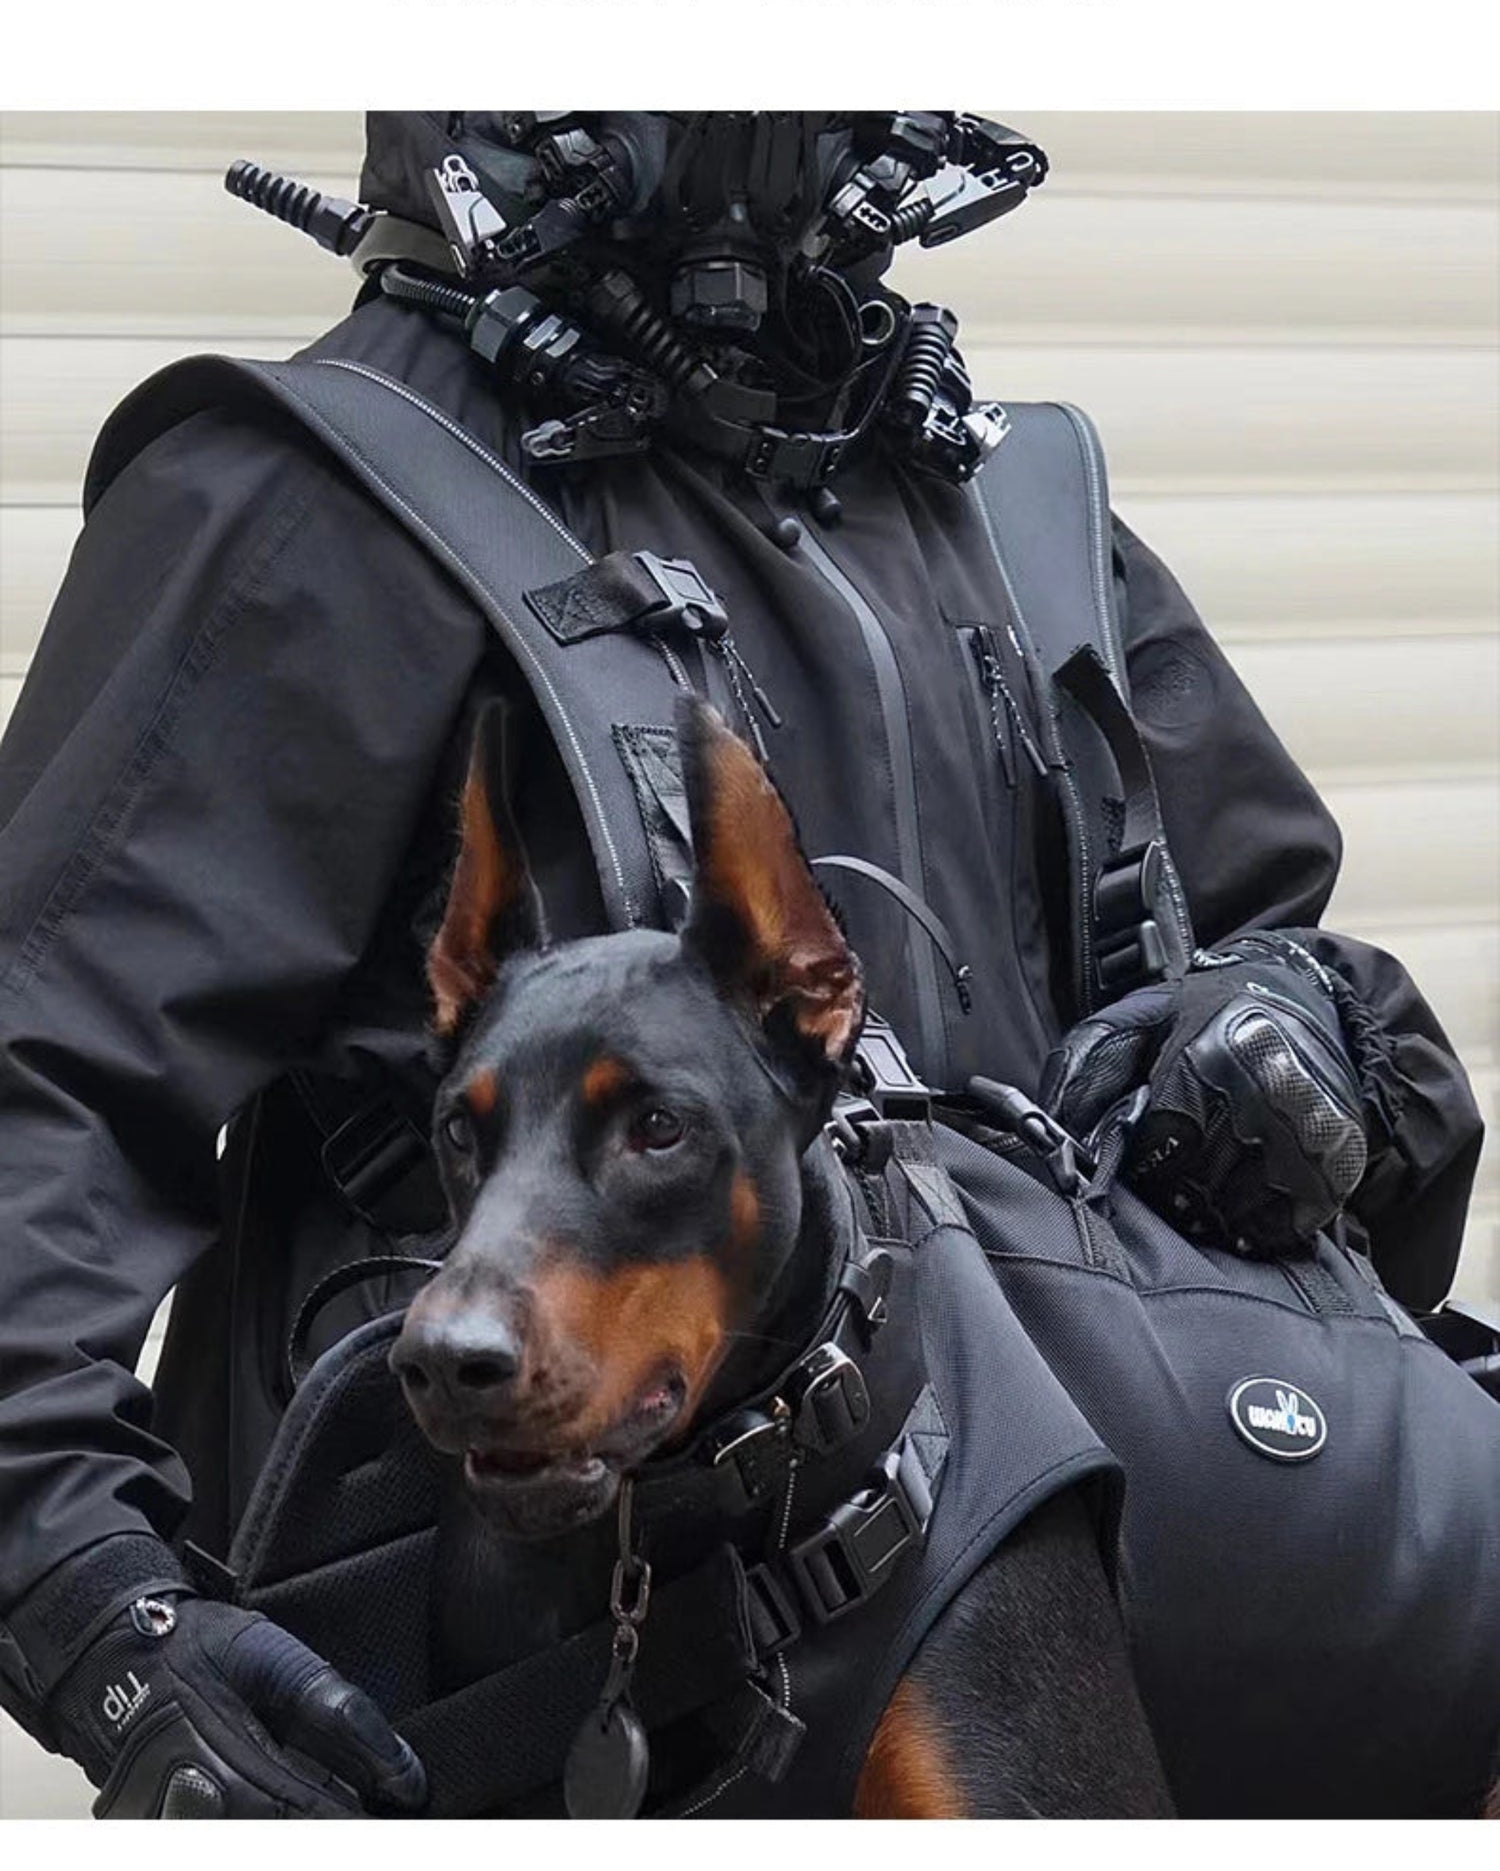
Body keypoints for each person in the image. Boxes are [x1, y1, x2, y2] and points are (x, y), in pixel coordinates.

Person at [0, 111, 1484, 1815]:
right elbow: (40, 1079)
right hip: (522, 1698)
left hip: (1063, 1682)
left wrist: (1291, 1024)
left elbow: (1285, 953)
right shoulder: (323, 503)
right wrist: (104, 1617)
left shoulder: (1013, 510)